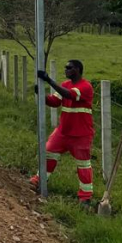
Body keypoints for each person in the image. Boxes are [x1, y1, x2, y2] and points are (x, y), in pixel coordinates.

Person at [30, 60, 96, 204]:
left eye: (69, 68)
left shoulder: (86, 87)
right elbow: (55, 101)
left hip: (81, 134)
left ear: (77, 70)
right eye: (65, 67)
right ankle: (38, 181)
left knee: (83, 165)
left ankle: (85, 197)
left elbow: (69, 95)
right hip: (63, 132)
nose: (66, 70)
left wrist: (48, 80)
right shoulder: (65, 84)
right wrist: (41, 95)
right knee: (48, 152)